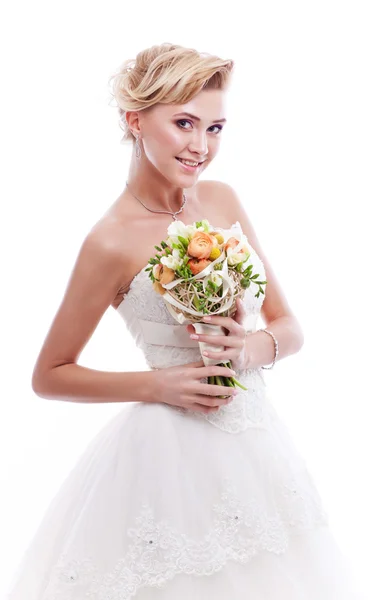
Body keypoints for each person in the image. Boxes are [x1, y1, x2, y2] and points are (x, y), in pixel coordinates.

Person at [6, 43, 364, 599]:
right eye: (184, 123)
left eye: (216, 127)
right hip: (169, 462)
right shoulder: (110, 241)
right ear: (134, 119)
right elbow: (49, 374)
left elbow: (289, 325)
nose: (201, 147)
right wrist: (158, 384)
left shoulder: (221, 199)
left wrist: (248, 349)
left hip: (257, 444)